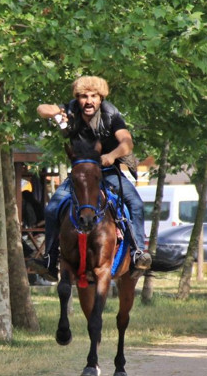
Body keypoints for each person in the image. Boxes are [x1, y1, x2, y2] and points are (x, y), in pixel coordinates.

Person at [28, 75, 151, 281]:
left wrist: (111, 156)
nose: (89, 101)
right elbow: (41, 109)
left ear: (101, 98)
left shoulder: (111, 114)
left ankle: (138, 252)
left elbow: (127, 143)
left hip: (108, 172)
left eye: (94, 96)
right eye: (84, 96)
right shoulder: (70, 110)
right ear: (77, 98)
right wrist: (57, 111)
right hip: (81, 174)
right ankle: (50, 260)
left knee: (136, 204)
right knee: (52, 209)